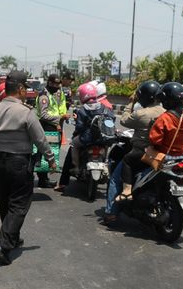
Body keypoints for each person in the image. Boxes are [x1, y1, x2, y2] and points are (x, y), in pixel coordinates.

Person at [0, 71, 57, 265]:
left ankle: (12, 237)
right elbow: (40, 139)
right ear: (20, 89)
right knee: (19, 204)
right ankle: (4, 246)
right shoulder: (26, 112)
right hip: (19, 162)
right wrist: (51, 160)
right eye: (25, 88)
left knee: (6, 200)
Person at [102, 81, 165, 225]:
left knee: (115, 179)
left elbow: (124, 120)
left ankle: (111, 212)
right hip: (161, 152)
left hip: (142, 152)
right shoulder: (166, 113)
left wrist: (131, 103)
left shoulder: (141, 113)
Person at [54, 82, 115, 192]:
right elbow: (112, 120)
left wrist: (78, 127)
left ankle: (76, 167)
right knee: (107, 147)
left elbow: (80, 127)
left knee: (74, 144)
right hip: (102, 139)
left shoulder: (82, 109)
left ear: (82, 95)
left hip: (87, 139)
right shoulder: (105, 108)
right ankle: (105, 163)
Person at [34, 73, 69, 188]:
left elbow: (59, 107)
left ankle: (44, 178)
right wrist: (59, 118)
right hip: (45, 126)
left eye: (58, 84)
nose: (57, 86)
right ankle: (42, 179)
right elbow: (43, 115)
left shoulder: (56, 93)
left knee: (52, 151)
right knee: (45, 151)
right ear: (49, 83)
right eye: (55, 84)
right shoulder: (44, 96)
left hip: (54, 126)